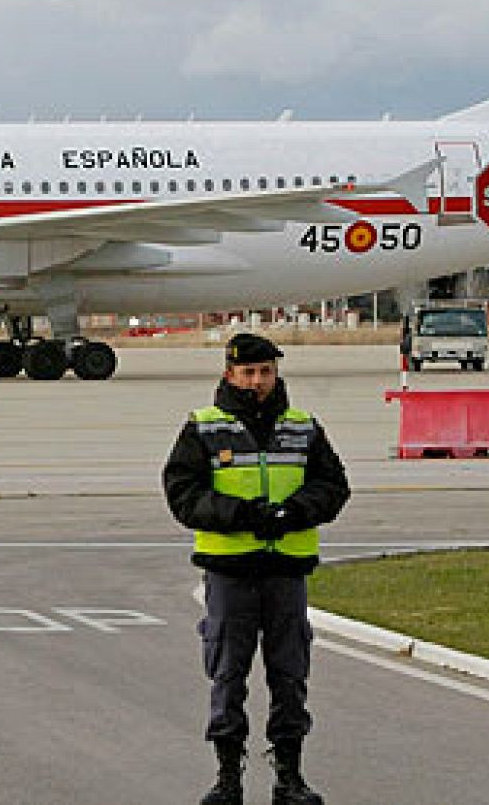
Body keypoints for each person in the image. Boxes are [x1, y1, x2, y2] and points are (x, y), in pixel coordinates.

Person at [163, 333, 350, 805]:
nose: (257, 381)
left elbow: (333, 485)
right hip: (230, 572)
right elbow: (183, 494)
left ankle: (290, 777)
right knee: (228, 674)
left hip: (286, 570)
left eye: (266, 372)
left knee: (290, 675)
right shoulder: (203, 428)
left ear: (276, 374)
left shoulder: (303, 427)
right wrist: (242, 515)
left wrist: (294, 512)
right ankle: (228, 779)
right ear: (229, 375)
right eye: (248, 373)